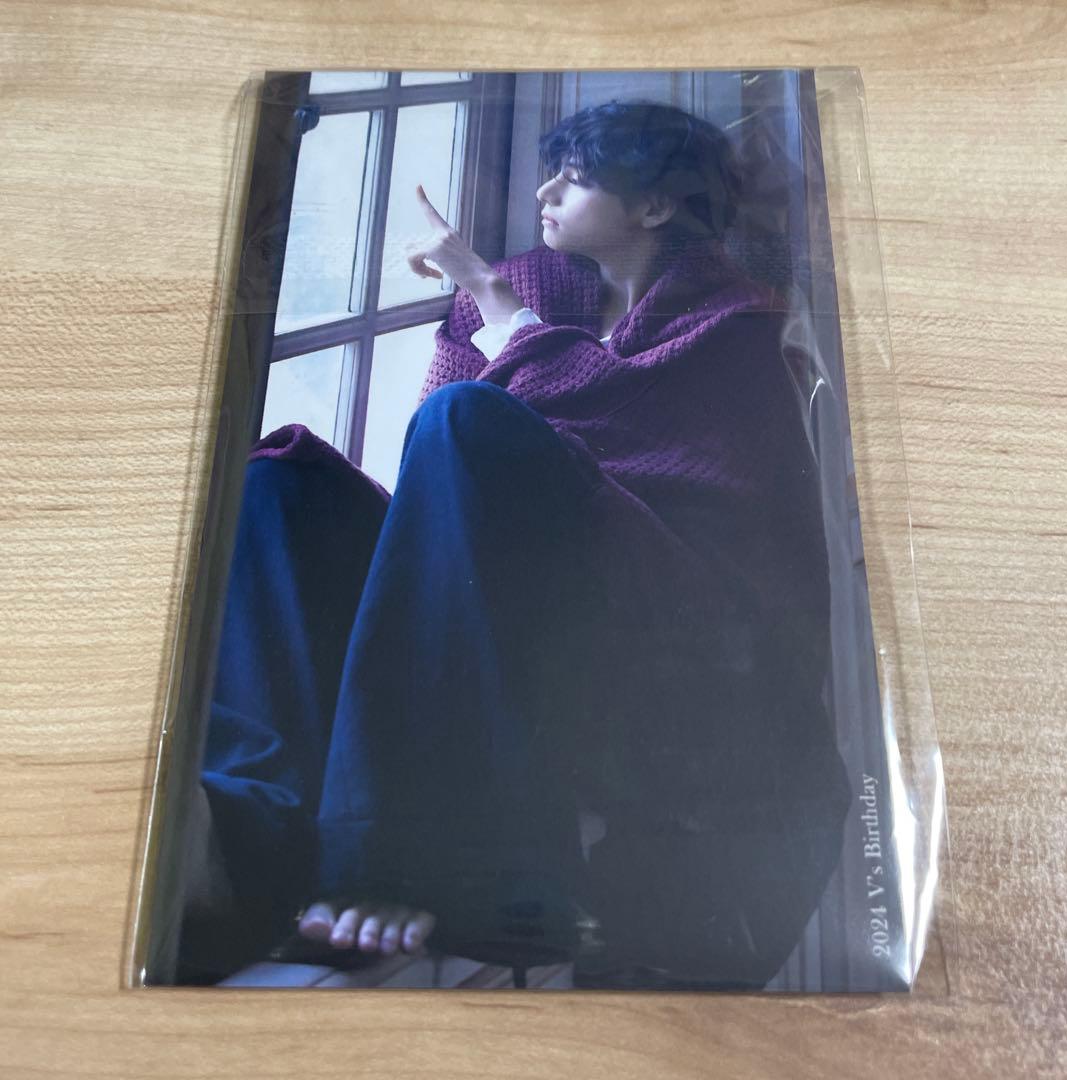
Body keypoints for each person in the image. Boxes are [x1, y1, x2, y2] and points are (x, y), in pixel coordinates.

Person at [179, 100, 852, 989]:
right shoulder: (531, 287)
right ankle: (261, 839)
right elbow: (434, 452)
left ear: (653, 206)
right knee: (277, 483)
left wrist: (486, 293)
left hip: (662, 629)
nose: (544, 192)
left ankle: (425, 867)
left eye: (575, 177)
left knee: (471, 418)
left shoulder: (734, 324)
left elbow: (600, 443)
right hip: (510, 587)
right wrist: (490, 308)